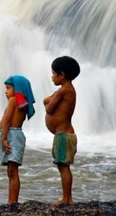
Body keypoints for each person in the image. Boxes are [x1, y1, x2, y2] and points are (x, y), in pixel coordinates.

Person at [0, 75, 35, 205]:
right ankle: (11, 200)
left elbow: (7, 120)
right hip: (11, 136)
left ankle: (13, 201)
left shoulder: (14, 100)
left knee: (13, 171)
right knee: (11, 171)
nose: (6, 91)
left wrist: (4, 138)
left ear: (18, 89)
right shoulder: (20, 102)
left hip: (12, 136)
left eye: (9, 88)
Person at [43, 56, 80, 207]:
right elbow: (49, 100)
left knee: (63, 167)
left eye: (53, 73)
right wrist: (49, 99)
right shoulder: (67, 90)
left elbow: (49, 107)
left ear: (62, 75)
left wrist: (48, 102)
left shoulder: (64, 90)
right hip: (63, 135)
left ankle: (67, 198)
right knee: (62, 166)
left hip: (63, 136)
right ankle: (67, 197)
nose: (52, 77)